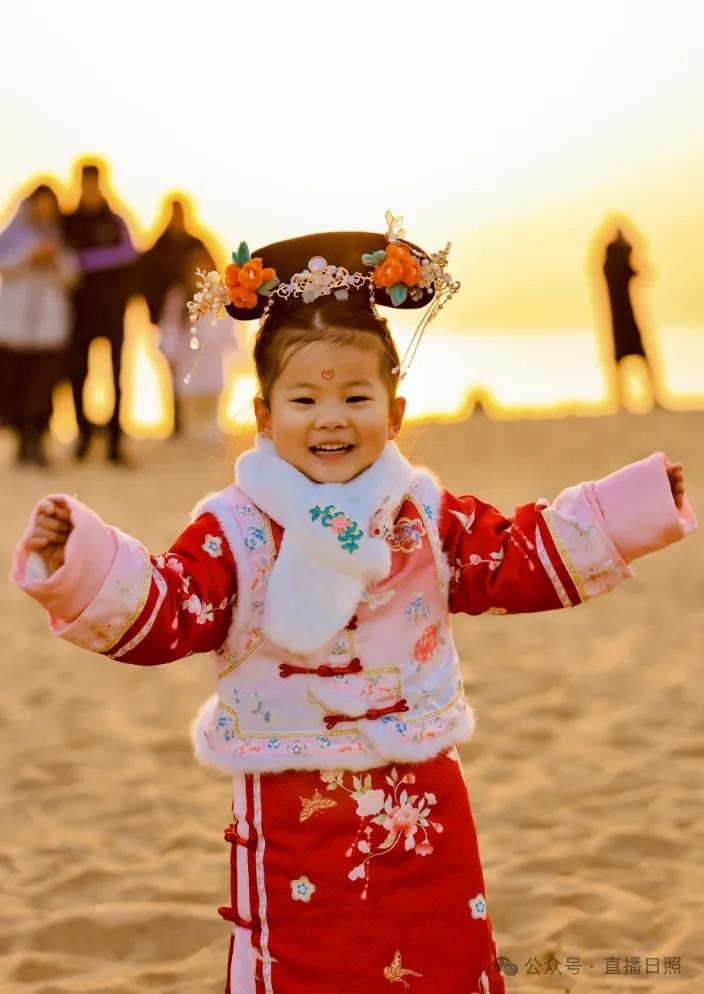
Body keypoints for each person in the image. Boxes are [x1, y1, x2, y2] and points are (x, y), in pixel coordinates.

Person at [11, 218, 696, 994]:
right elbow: (175, 605)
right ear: (263, 416)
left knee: (439, 953)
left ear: (395, 413)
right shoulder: (235, 528)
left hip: (422, 792)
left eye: (356, 396)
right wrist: (79, 561)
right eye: (304, 398)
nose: (331, 417)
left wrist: (632, 509)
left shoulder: (423, 517)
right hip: (294, 801)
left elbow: (512, 556)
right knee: (303, 964)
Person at [64, 163, 137, 464]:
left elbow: (131, 256)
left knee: (116, 375)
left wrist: (84, 261)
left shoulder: (115, 221)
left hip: (112, 310)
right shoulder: (68, 222)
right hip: (78, 312)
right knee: (78, 375)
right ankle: (83, 436)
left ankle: (114, 441)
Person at [0, 183, 78, 466]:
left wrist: (54, 259)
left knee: (43, 391)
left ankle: (38, 441)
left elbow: (72, 277)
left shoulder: (62, 237)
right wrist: (30, 255)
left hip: (49, 330)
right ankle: (22, 442)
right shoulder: (13, 236)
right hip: (14, 331)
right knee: (15, 388)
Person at [138, 199, 217, 434]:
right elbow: (144, 282)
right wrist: (156, 313)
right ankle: (177, 421)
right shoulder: (158, 247)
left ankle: (201, 423)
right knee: (174, 370)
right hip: (170, 318)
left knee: (203, 372)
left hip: (199, 318)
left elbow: (214, 273)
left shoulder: (197, 244)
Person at [158, 245, 242, 440]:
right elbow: (169, 330)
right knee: (191, 423)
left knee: (212, 422)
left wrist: (237, 356)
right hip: (188, 366)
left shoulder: (221, 297)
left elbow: (229, 329)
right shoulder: (178, 298)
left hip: (212, 366)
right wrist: (170, 356)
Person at [602, 227, 656, 406]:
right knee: (625, 360)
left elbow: (636, 272)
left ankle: (644, 398)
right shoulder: (613, 263)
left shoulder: (613, 263)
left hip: (625, 320)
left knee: (635, 359)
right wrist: (625, 246)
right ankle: (621, 399)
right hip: (621, 321)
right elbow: (633, 271)